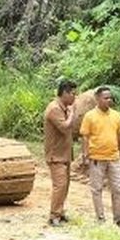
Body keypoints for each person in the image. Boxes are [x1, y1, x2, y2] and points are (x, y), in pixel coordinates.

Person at [79, 86, 120, 226]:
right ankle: (100, 218)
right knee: (97, 189)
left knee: (118, 189)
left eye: (110, 98)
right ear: (97, 99)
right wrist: (85, 154)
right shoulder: (89, 116)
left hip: (114, 158)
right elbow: (85, 137)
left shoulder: (116, 115)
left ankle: (119, 218)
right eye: (105, 98)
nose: (109, 100)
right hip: (96, 158)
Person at [43, 79, 78, 226]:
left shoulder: (63, 108)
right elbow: (65, 127)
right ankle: (54, 216)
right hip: (55, 155)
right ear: (64, 93)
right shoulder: (54, 109)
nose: (74, 98)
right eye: (72, 94)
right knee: (60, 185)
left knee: (65, 184)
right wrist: (72, 114)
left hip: (64, 154)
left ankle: (60, 211)